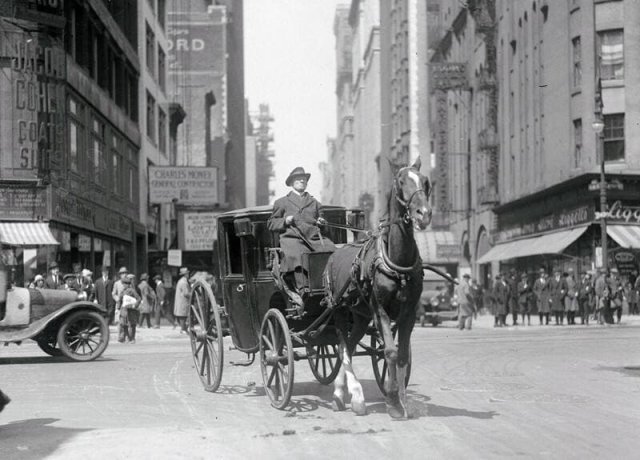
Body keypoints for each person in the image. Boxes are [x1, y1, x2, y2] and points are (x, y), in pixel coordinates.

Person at [267, 166, 335, 313]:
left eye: (304, 180)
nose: (301, 182)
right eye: (298, 180)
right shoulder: (282, 202)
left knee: (331, 250)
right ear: (292, 183)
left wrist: (322, 223)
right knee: (297, 254)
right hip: (292, 238)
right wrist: (285, 220)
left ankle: (330, 285)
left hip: (314, 237)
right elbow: (271, 223)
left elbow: (324, 224)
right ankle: (303, 288)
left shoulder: (315, 202)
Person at [118, 274, 141, 343]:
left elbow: (139, 299)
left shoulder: (132, 291)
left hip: (131, 310)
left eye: (125, 284)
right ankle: (125, 337)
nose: (124, 285)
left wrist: (135, 305)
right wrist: (118, 307)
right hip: (124, 310)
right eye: (124, 284)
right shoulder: (122, 291)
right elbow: (120, 300)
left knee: (132, 324)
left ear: (128, 284)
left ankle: (132, 338)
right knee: (123, 324)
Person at [173, 267, 191, 333]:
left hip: (180, 300)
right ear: (186, 274)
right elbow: (186, 293)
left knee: (182, 315)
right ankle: (183, 329)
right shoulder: (184, 282)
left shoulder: (181, 281)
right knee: (183, 315)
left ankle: (183, 328)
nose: (188, 275)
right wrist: (193, 294)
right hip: (183, 301)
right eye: (188, 274)